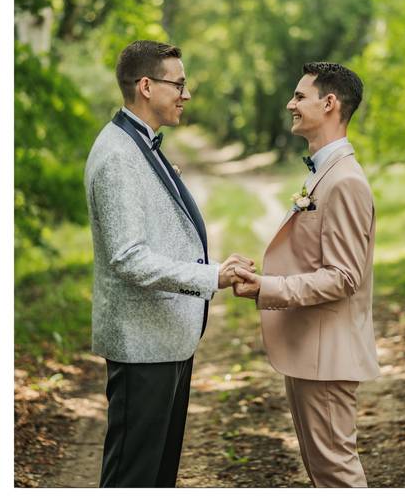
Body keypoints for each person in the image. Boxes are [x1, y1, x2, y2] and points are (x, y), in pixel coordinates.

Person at [85, 40, 253, 487]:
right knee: (132, 480)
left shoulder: (142, 145)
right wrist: (210, 276)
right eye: (178, 83)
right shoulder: (119, 155)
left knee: (158, 480)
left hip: (166, 342)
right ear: (146, 86)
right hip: (142, 347)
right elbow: (127, 256)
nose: (187, 93)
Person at [232, 62, 379, 487]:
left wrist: (268, 287)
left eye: (300, 96)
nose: (290, 104)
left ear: (329, 103)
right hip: (310, 351)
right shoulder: (323, 172)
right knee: (322, 473)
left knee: (337, 474)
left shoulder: (346, 181)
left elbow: (344, 276)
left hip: (327, 356)